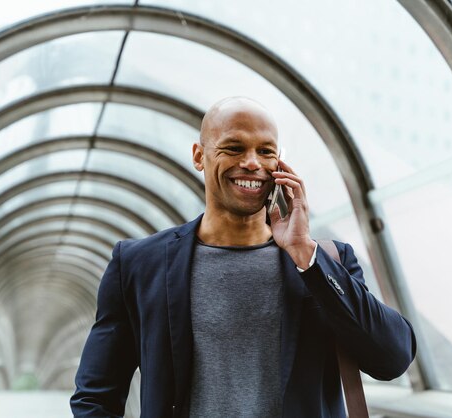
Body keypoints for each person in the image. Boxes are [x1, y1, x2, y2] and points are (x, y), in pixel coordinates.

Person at [70, 97, 416, 417]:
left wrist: (305, 253)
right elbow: (96, 395)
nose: (251, 163)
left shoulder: (326, 261)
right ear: (198, 156)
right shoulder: (139, 264)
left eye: (266, 152)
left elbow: (392, 358)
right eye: (233, 148)